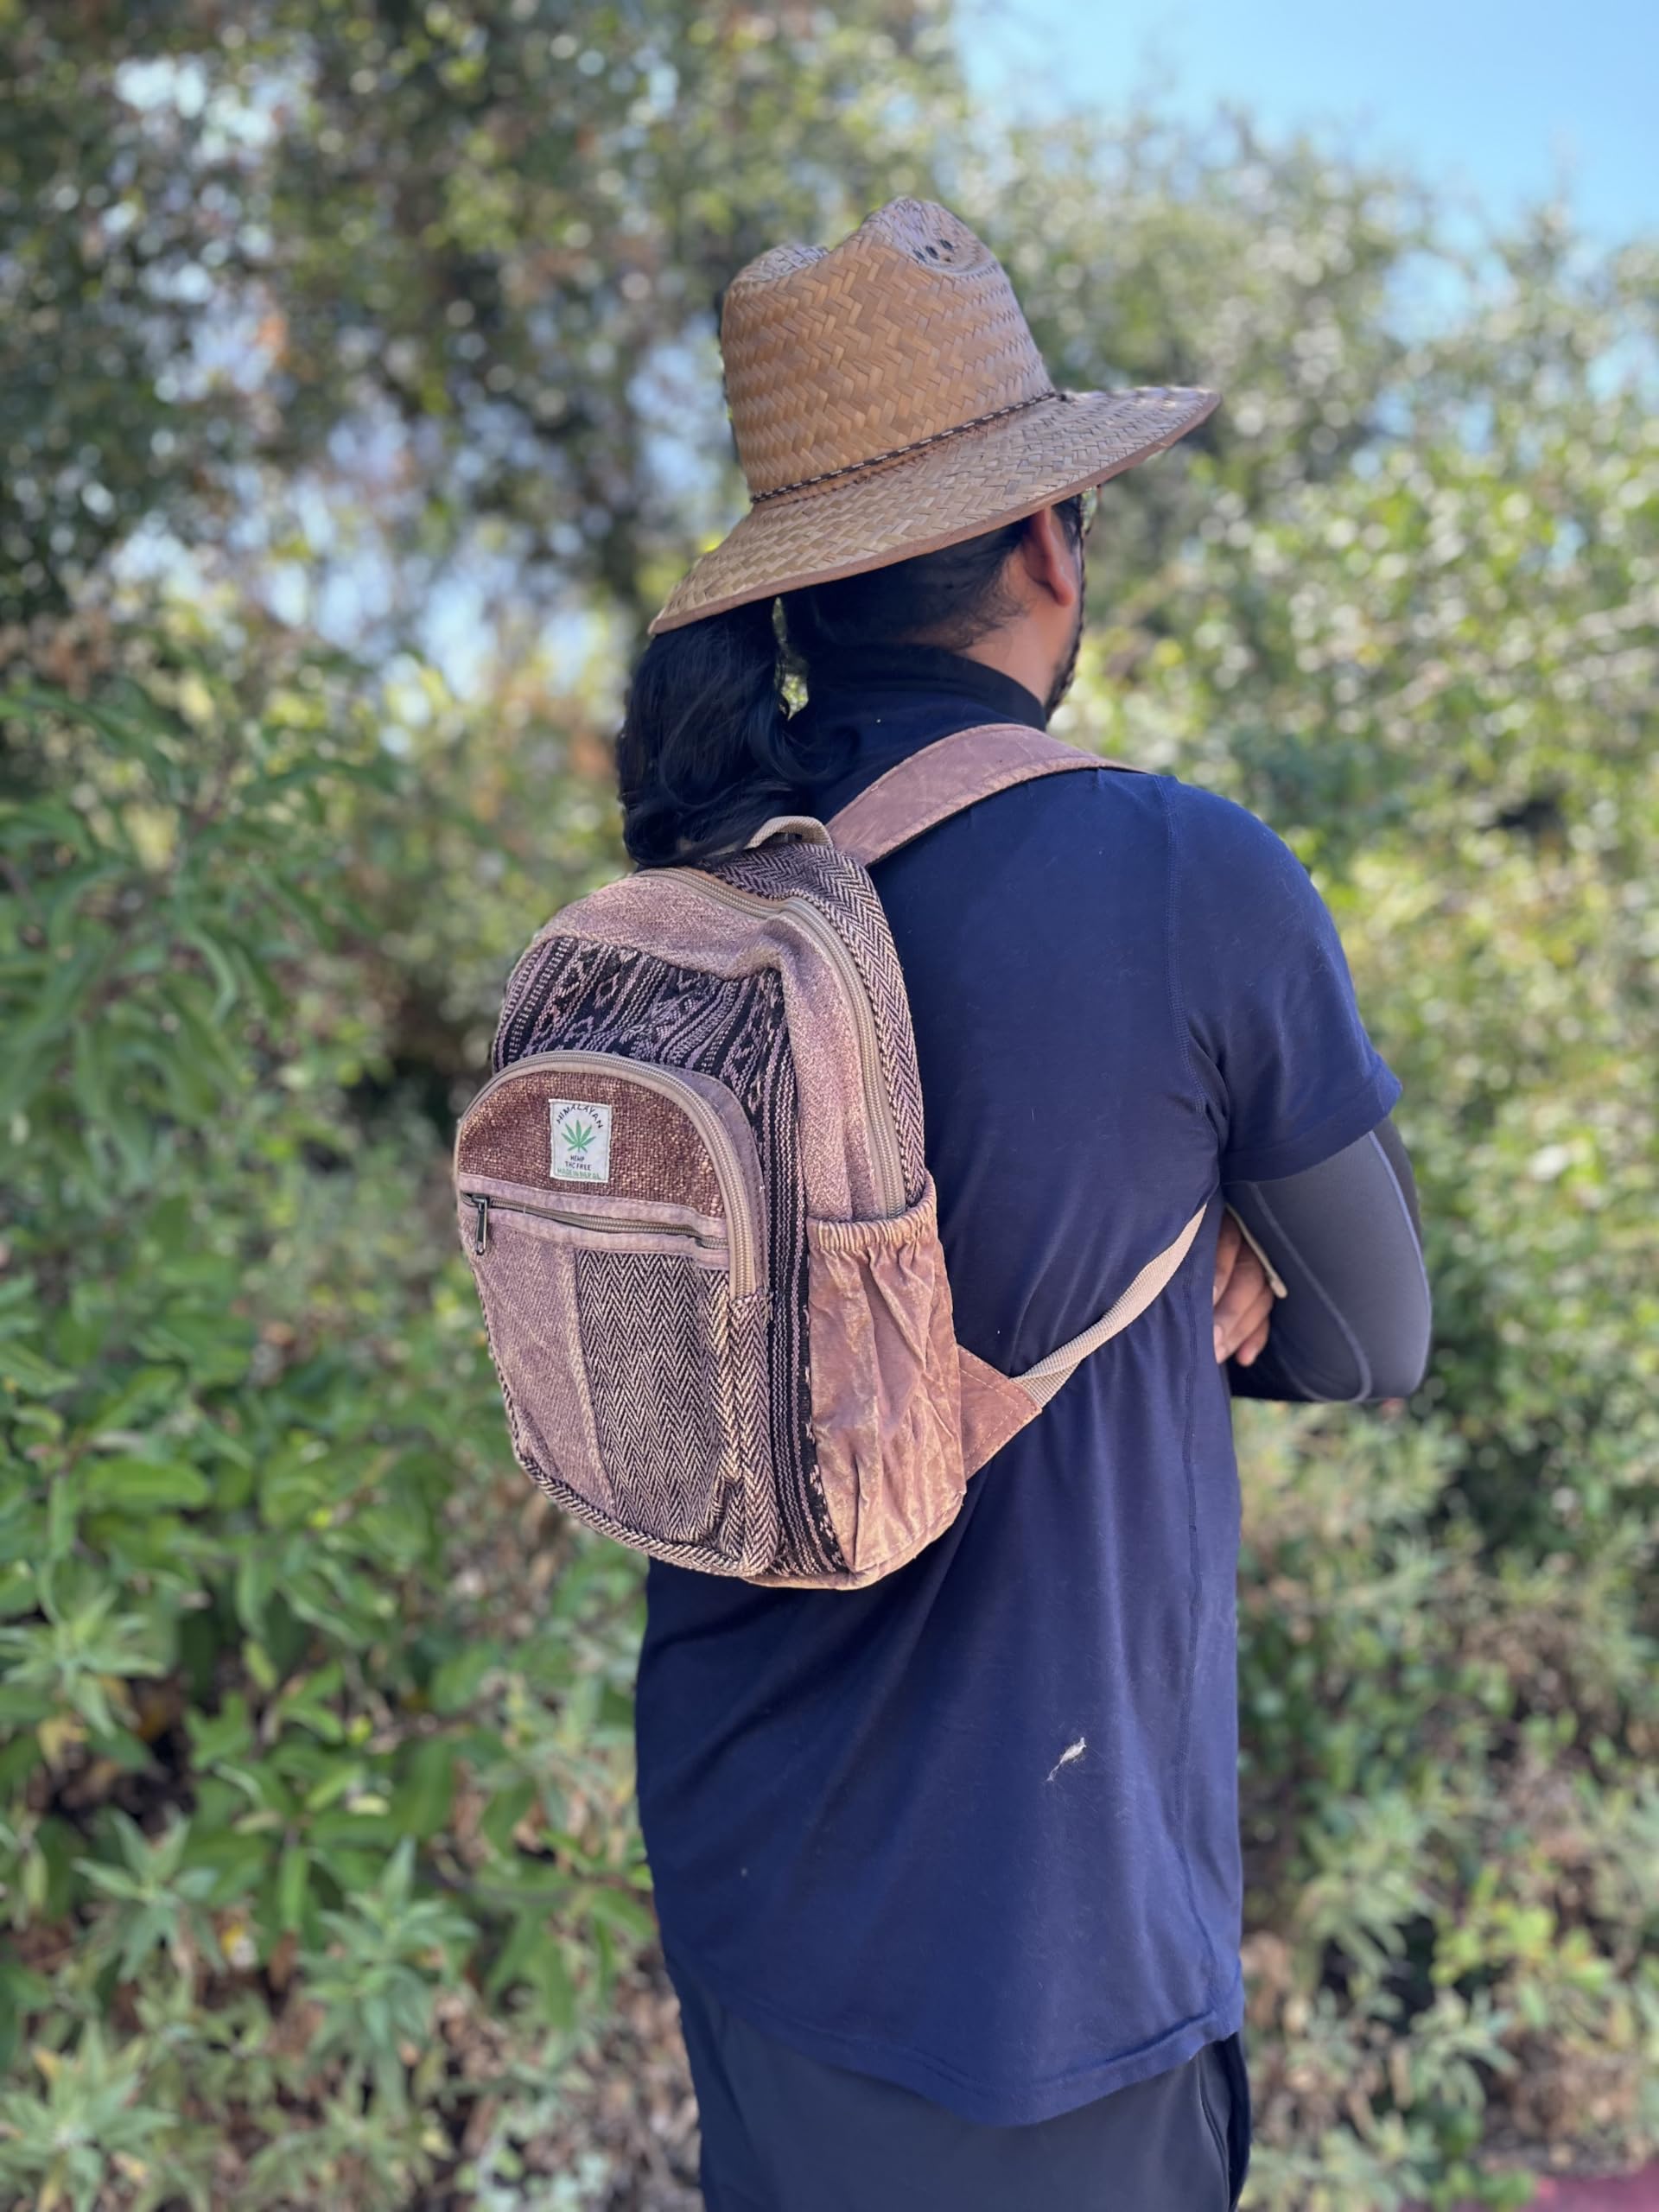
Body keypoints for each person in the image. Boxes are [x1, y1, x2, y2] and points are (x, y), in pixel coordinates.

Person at [613, 200, 1431, 2212]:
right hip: (1038, 1952)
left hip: (741, 1871)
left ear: (797, 605)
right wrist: (1196, 1243)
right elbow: (1375, 1330)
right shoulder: (1177, 874)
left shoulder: (707, 890)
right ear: (1052, 543)